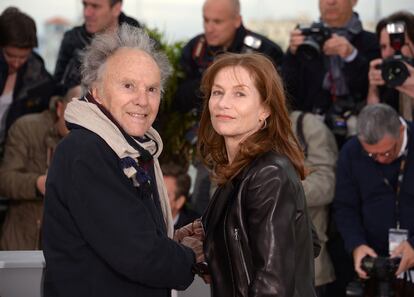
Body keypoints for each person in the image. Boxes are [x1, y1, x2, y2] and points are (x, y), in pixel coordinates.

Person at [42, 25, 203, 297]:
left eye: (152, 89)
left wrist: (173, 241)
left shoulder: (130, 149)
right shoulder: (86, 151)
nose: (142, 100)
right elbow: (137, 253)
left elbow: (123, 234)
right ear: (96, 91)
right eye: (128, 86)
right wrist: (190, 256)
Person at [197, 52, 316, 297]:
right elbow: (307, 242)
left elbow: (272, 285)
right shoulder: (239, 170)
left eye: (239, 93)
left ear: (265, 109)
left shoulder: (268, 174)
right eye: (217, 92)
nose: (222, 103)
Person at [334, 104, 414, 285]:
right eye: (371, 155)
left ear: (401, 131)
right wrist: (356, 245)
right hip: (376, 261)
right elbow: (345, 207)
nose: (380, 160)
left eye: (387, 152)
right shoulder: (351, 152)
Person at [282, 0, 379, 143]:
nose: (330, 2)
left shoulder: (372, 42)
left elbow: (375, 91)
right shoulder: (305, 40)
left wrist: (352, 56)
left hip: (359, 131)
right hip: (310, 134)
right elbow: (287, 91)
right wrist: (292, 54)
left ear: (354, 1)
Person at [0, 86, 79, 250]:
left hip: (69, 244)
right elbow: (4, 180)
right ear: (59, 108)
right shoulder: (27, 128)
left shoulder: (91, 140)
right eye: (73, 114)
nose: (77, 122)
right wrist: (39, 183)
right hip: (23, 238)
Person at [176, 0, 284, 115]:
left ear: (237, 20)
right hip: (201, 124)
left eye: (217, 22)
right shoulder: (195, 47)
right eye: (206, 20)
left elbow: (278, 102)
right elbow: (178, 98)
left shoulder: (266, 51)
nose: (209, 28)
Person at [290, 111, 338, 297]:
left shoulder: (306, 126)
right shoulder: (240, 127)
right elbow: (219, 185)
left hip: (306, 265)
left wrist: (279, 190)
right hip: (252, 267)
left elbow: (326, 185)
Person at [0, 7, 54, 151]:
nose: (16, 63)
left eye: (23, 57)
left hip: (14, 152)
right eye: (10, 55)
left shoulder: (39, 76)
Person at [53, 0, 141, 89]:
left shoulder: (136, 35)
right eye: (85, 5)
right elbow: (56, 90)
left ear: (116, 9)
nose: (86, 13)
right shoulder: (72, 38)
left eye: (95, 6)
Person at [367, 11, 414, 120]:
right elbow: (374, 126)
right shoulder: (388, 76)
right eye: (383, 47)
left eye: (397, 44)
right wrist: (373, 89)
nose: (388, 53)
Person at [161, 162, 200, 229]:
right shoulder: (142, 218)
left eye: (164, 195)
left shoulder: (194, 230)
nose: (157, 197)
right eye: (155, 191)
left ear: (179, 202)